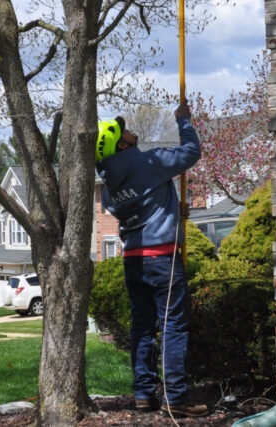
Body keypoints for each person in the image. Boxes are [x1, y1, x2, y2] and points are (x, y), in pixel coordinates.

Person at [95, 101, 207, 418]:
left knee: (142, 328)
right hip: (162, 259)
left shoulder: (109, 183)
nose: (132, 132)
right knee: (173, 326)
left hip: (133, 259)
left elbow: (136, 210)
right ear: (120, 143)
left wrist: (171, 211)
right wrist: (184, 121)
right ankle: (176, 398)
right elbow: (190, 153)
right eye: (125, 131)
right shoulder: (149, 161)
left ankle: (144, 395)